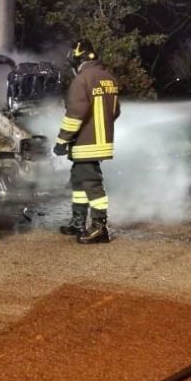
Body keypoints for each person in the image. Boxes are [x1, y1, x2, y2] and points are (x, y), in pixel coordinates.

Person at [53, 39, 121, 244]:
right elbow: (115, 111)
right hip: (101, 141)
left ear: (77, 60)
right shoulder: (109, 78)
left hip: (86, 142)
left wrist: (61, 141)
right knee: (79, 180)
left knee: (92, 183)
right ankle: (78, 222)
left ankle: (100, 227)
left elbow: (75, 114)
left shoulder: (82, 80)